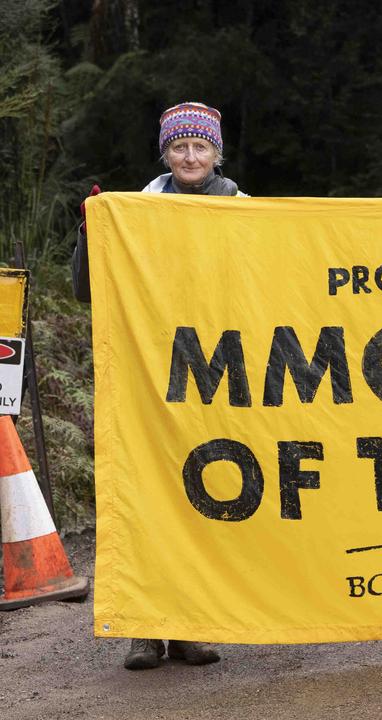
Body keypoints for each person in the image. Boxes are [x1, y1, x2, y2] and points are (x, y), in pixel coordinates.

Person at [71, 101, 244, 669]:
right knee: (147, 494)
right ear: (165, 152)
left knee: (208, 494)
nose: (190, 157)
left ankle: (193, 624)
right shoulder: (135, 211)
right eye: (180, 147)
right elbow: (84, 291)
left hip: (217, 374)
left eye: (201, 147)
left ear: (217, 154)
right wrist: (90, 230)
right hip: (148, 376)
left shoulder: (246, 211)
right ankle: (146, 627)